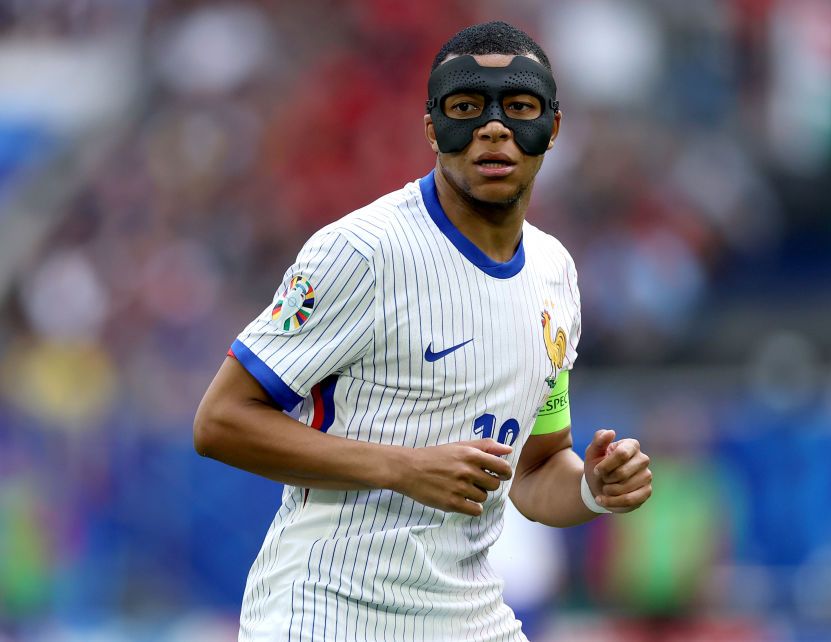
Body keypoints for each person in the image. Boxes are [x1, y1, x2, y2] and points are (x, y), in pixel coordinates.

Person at [194, 20, 654, 642]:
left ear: (553, 128)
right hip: (327, 613)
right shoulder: (361, 252)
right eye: (468, 108)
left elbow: (537, 470)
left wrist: (594, 488)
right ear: (433, 128)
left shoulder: (555, 275)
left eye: (519, 107)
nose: (494, 127)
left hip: (470, 618)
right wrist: (401, 467)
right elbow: (221, 421)